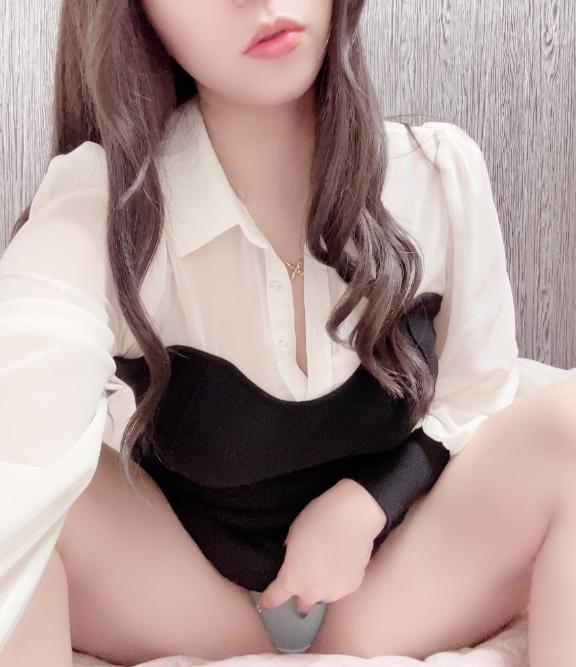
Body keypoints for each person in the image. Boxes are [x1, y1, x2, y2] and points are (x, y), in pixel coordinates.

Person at [1, 0, 576, 664]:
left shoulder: (435, 173)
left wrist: (368, 503)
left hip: (396, 590)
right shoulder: (106, 207)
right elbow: (24, 362)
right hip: (191, 602)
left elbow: (480, 397)